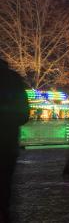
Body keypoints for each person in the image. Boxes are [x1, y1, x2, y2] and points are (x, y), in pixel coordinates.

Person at [0, 59, 29, 223]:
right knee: (5, 180)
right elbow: (24, 114)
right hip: (8, 141)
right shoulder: (14, 80)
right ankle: (4, 210)